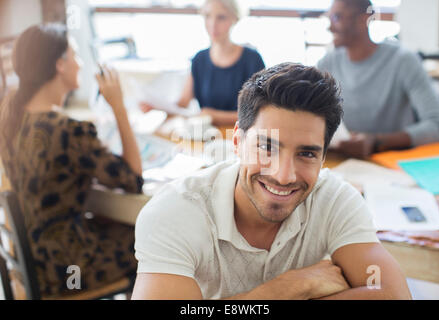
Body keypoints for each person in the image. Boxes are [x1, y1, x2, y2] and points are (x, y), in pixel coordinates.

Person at [132, 63, 411, 300]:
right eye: (267, 147)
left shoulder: (335, 199)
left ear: (324, 158)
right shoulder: (175, 212)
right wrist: (287, 288)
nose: (283, 175)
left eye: (306, 153)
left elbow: (391, 294)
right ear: (238, 142)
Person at [0, 24, 143, 297]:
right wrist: (119, 107)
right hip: (65, 271)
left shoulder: (11, 117)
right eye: (75, 56)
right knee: (149, 240)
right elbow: (134, 179)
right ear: (59, 65)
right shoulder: (68, 130)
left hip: (31, 259)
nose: (80, 64)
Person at [317, 0, 439, 159]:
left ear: (364, 19)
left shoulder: (403, 61)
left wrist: (376, 142)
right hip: (342, 162)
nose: (329, 27)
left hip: (392, 166)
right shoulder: (327, 63)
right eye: (329, 18)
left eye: (337, 18)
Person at [140, 0, 265, 127]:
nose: (212, 24)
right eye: (207, 16)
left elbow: (259, 113)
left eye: (221, 17)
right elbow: (182, 105)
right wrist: (157, 108)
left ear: (235, 18)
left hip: (241, 137)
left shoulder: (252, 60)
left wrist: (214, 115)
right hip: (205, 136)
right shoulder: (199, 59)